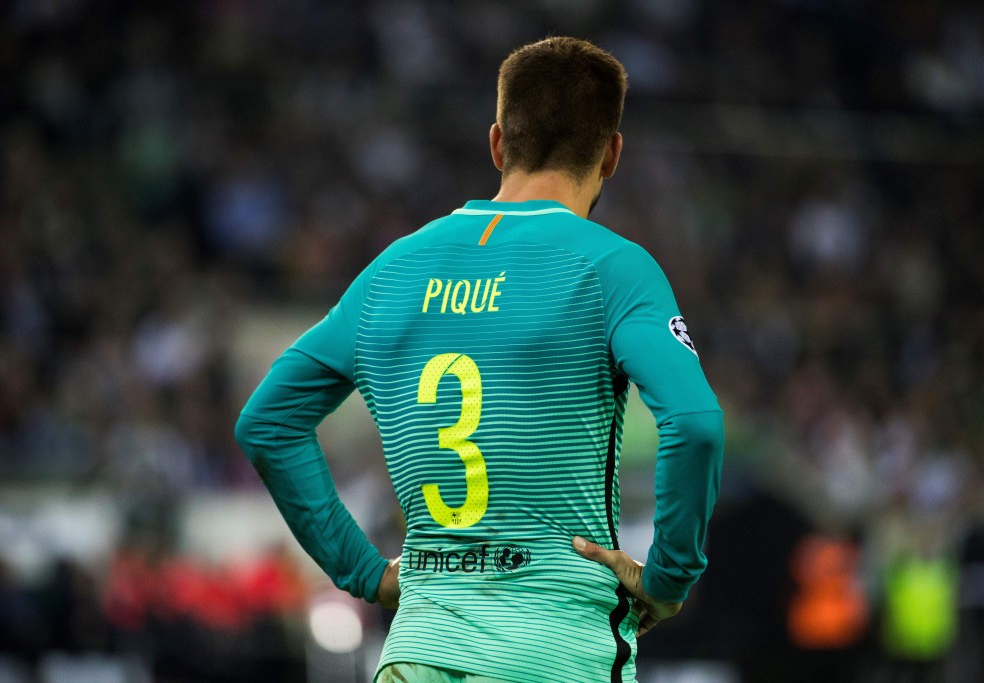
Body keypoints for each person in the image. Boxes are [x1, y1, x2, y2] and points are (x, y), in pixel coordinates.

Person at [235, 36, 724, 683]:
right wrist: (667, 578)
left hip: (418, 652)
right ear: (612, 153)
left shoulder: (392, 270)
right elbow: (694, 423)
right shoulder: (612, 267)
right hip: (554, 654)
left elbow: (267, 422)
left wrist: (363, 570)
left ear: (497, 144)